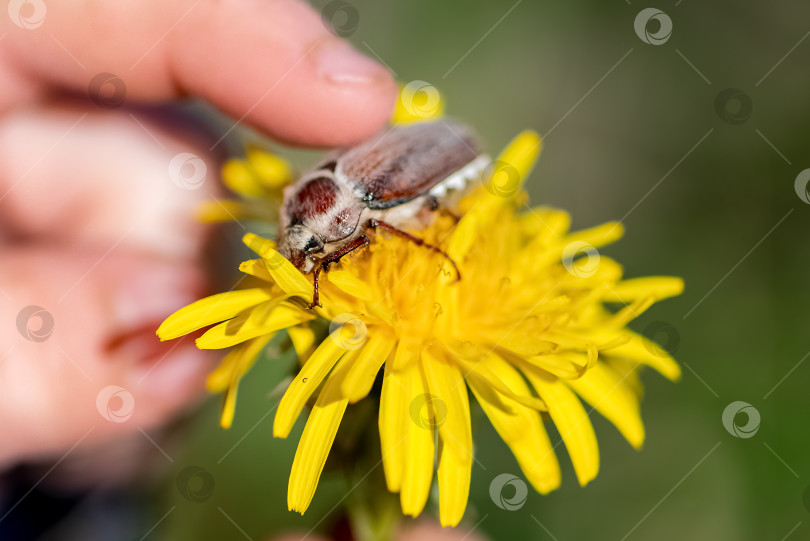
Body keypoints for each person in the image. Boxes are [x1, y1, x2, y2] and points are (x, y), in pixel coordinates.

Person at [0, 1, 482, 539]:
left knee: (396, 226)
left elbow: (369, 226)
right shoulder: (312, 203)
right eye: (303, 245)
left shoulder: (366, 205)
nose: (305, 259)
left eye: (313, 249)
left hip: (443, 159)